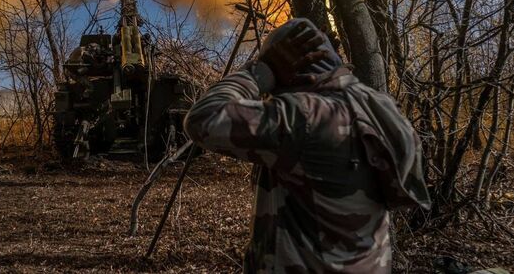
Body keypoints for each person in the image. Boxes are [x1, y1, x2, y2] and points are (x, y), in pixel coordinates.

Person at [184, 18, 430, 273]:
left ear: (289, 66)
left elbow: (204, 119)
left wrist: (260, 71)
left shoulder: (305, 116)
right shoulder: (378, 105)